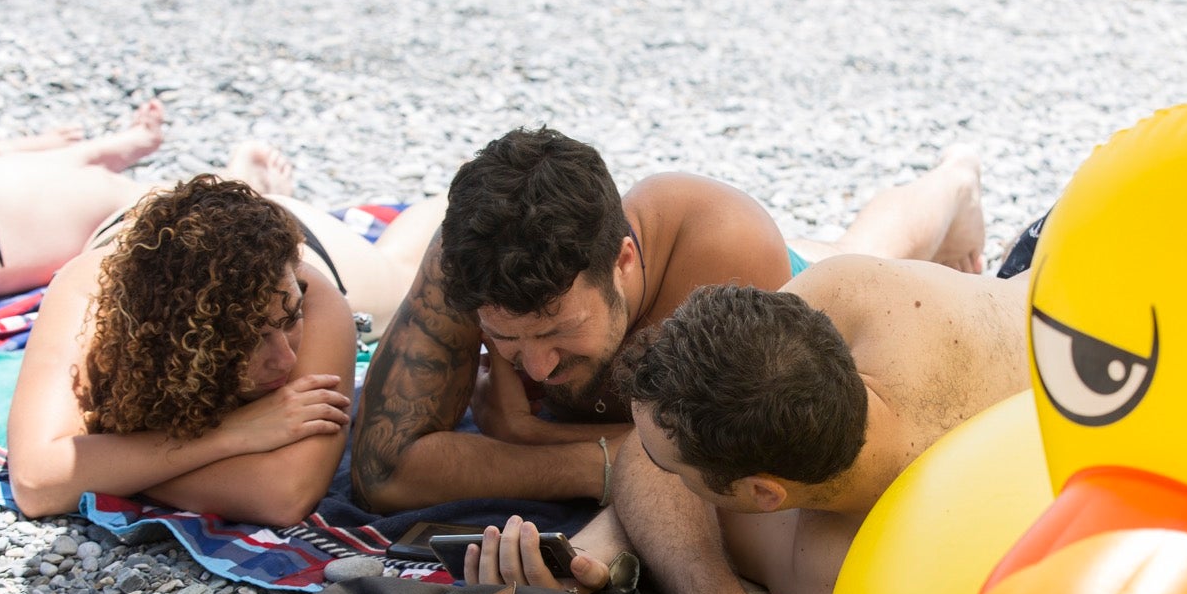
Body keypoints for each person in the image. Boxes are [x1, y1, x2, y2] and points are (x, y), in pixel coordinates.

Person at [351, 125, 989, 513]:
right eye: (505, 339)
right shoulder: (469, 264)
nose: (538, 366)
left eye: (555, 333)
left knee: (868, 259)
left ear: (624, 259)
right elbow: (384, 471)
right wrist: (609, 461)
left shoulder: (721, 250)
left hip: (793, 282)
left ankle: (953, 183)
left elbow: (730, 470)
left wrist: (528, 440)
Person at [466, 255, 1033, 594]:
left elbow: (653, 476)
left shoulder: (846, 574)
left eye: (673, 465)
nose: (641, 452)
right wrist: (592, 555)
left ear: (765, 493)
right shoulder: (855, 293)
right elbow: (659, 469)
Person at [0, 0, 444, 359]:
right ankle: (226, 186)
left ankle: (103, 161)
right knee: (397, 276)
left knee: (135, 205)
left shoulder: (87, 325)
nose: (281, 356)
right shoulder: (91, 311)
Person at [7, 174, 358, 527]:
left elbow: (281, 495)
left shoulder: (306, 292)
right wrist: (232, 433)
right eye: (249, 338)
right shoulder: (92, 291)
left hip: (303, 238)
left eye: (290, 321)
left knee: (398, 267)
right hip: (142, 236)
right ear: (169, 334)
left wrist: (108, 470)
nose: (286, 359)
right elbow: (36, 483)